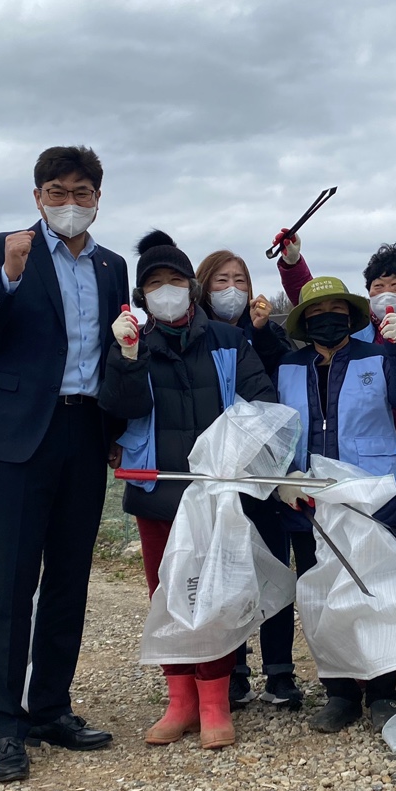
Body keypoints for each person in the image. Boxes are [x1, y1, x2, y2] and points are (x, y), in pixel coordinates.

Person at [0, 146, 129, 783]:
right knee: (12, 582)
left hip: (85, 428)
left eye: (81, 192)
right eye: (56, 192)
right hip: (20, 435)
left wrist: (117, 427)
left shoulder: (113, 265)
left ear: (98, 199)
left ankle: (51, 707)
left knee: (69, 577)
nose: (69, 203)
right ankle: (5, 724)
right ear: (37, 197)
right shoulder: (6, 249)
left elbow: (116, 349)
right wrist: (7, 275)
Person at [100, 232, 277, 749]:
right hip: (155, 489)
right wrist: (126, 358)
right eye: (155, 283)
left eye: (175, 280)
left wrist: (240, 462)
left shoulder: (227, 341)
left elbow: (259, 404)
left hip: (214, 493)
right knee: (167, 594)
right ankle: (180, 699)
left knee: (214, 593)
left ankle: (215, 700)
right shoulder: (131, 343)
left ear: (192, 288)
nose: (167, 290)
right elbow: (118, 411)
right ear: (141, 295)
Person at [273, 236, 396, 695]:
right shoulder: (288, 365)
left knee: (375, 589)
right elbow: (277, 426)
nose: (328, 318)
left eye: (336, 310)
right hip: (310, 499)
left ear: (351, 315)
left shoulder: (378, 355)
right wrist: (284, 475)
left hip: (369, 496)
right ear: (304, 321)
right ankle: (339, 690)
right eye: (317, 313)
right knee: (322, 594)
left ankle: (381, 689)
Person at [193, 249, 301, 709]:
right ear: (203, 286)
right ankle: (233, 669)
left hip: (263, 465)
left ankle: (280, 670)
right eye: (221, 280)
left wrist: (259, 333)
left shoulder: (263, 332)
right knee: (226, 566)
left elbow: (281, 375)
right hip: (217, 468)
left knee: (273, 561)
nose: (232, 289)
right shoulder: (194, 333)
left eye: (240, 280)